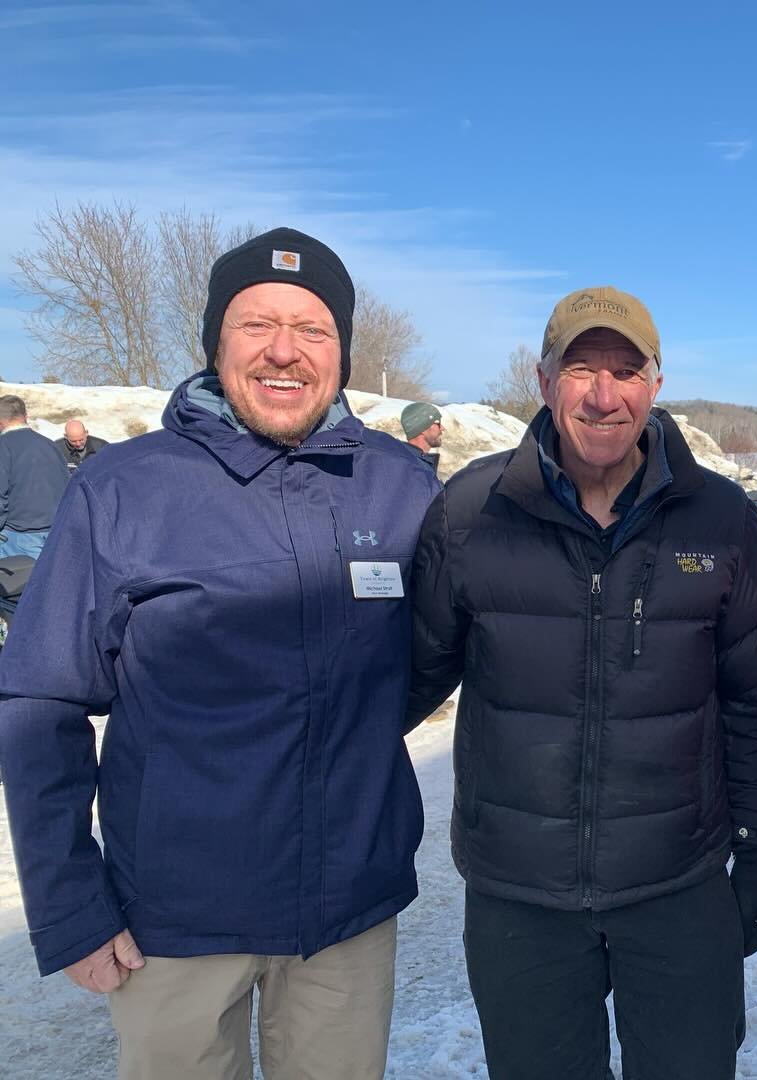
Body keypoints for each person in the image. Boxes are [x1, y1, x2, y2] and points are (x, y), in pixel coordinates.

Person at [0, 227, 441, 1080]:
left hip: (348, 914)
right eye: (256, 325)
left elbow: (433, 654)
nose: (284, 351)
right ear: (215, 343)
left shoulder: (400, 486)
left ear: (342, 351)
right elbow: (41, 700)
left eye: (312, 329)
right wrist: (70, 905)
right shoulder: (124, 488)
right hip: (175, 923)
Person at [409, 285, 757, 1080]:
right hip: (521, 895)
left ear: (655, 385)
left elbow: (751, 701)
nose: (604, 396)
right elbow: (403, 681)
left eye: (627, 371)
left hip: (678, 885)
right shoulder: (472, 512)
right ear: (544, 381)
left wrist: (754, 849)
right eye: (581, 369)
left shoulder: (720, 520)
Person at [0, 394, 69, 558]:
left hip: (17, 535)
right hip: (55, 531)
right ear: (25, 416)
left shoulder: (4, 446)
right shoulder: (50, 445)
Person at [401, 400, 443, 471]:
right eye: (438, 424)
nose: (442, 428)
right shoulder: (413, 468)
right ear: (423, 428)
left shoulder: (411, 463)